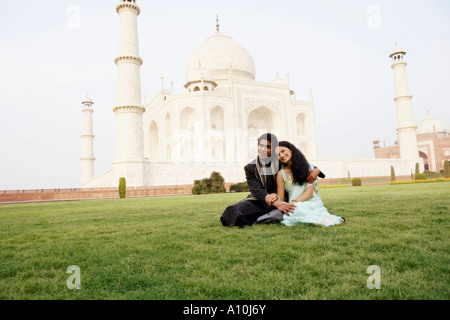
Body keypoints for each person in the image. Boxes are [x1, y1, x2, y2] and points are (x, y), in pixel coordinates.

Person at [220, 133, 324, 227]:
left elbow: (300, 164)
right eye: (261, 145)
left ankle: (261, 218)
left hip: (282, 199)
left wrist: (316, 170)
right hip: (261, 199)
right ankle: (263, 217)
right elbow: (256, 189)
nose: (263, 149)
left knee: (278, 214)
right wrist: (272, 200)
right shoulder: (250, 167)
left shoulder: (280, 160)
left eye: (268, 147)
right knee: (232, 211)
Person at [274, 141, 345, 227]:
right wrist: (281, 203)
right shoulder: (281, 174)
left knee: (297, 210)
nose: (281, 155)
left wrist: (293, 202)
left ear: (291, 150)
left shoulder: (308, 167)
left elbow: (309, 193)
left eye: (283, 151)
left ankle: (327, 219)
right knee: (293, 211)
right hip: (294, 205)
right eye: (278, 155)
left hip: (311, 202)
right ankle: (317, 219)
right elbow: (280, 198)